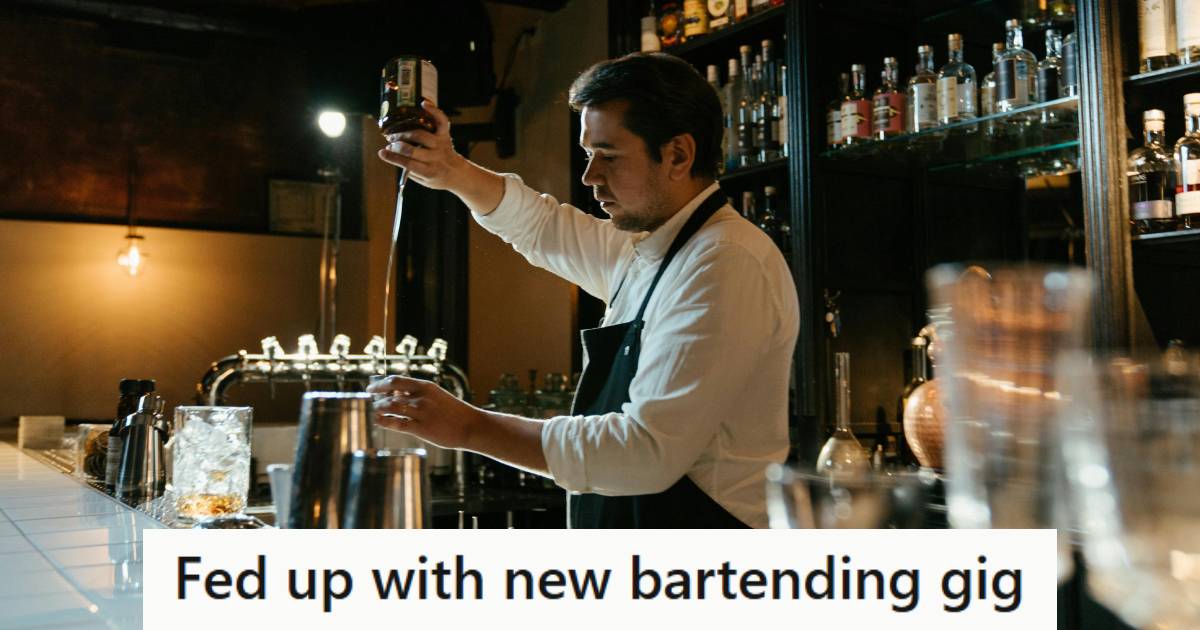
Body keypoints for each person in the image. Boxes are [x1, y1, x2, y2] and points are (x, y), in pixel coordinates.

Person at [371, 52, 799, 528]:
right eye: (589, 155)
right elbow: (540, 226)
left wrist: (470, 427)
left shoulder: (724, 262)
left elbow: (645, 453)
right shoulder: (649, 249)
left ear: (678, 155)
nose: (590, 176)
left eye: (609, 156)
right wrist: (449, 168)